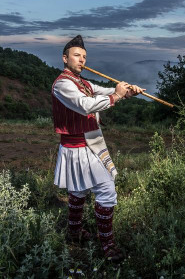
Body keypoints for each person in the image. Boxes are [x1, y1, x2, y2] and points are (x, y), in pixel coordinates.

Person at [52, 35, 145, 262]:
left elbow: (101, 91)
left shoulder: (83, 82)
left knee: (79, 190)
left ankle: (74, 233)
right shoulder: (63, 84)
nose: (82, 60)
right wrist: (117, 95)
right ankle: (108, 245)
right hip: (77, 147)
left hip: (88, 143)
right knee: (105, 190)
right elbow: (86, 105)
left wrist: (125, 93)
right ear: (65, 58)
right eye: (77, 55)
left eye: (84, 56)